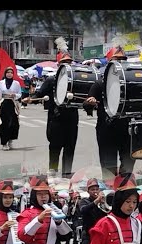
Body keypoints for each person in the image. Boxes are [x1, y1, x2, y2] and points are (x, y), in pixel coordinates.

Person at [27, 39, 79, 174]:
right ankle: (53, 171)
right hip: (56, 119)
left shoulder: (76, 81)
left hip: (72, 119)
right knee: (55, 147)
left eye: (69, 62)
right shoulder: (51, 80)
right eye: (64, 63)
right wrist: (31, 99)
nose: (67, 65)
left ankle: (67, 173)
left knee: (70, 148)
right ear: (59, 65)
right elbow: (39, 93)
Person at [84, 46, 135, 176]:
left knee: (127, 169)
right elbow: (87, 105)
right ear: (109, 62)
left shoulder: (131, 83)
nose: (120, 62)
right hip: (106, 130)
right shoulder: (100, 84)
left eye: (123, 59)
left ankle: (124, 192)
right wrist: (89, 103)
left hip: (127, 131)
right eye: (117, 59)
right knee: (108, 171)